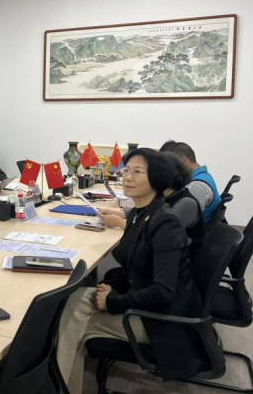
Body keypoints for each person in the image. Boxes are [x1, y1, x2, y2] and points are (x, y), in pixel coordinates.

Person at [57, 149, 202, 393]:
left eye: (138, 172)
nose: (127, 177)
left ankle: (57, 383)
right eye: (126, 170)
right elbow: (137, 269)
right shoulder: (140, 213)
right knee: (73, 302)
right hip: (147, 307)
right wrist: (114, 287)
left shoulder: (165, 223)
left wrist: (114, 300)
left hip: (163, 322)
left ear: (157, 179)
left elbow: (163, 291)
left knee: (71, 319)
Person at [99, 152, 204, 244]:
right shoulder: (161, 195)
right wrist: (116, 212)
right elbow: (141, 212)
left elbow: (159, 233)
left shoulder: (186, 203)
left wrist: (119, 223)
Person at [166, 141, 221, 223]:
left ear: (184, 160)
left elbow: (181, 217)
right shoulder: (203, 175)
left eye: (174, 164)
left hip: (193, 229)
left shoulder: (198, 185)